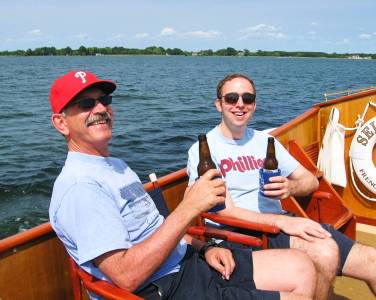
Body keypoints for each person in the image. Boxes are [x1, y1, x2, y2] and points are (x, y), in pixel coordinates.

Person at [48, 70, 317, 300]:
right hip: (167, 288)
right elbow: (127, 276)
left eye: (103, 100)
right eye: (85, 104)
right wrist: (189, 208)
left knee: (302, 266)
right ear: (61, 123)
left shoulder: (116, 166)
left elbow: (157, 229)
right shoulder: (81, 187)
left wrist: (206, 248)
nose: (99, 109)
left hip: (188, 262)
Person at [187, 73, 376, 300]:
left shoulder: (265, 141)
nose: (240, 104)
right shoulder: (206, 149)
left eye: (247, 98)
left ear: (254, 104)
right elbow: (222, 210)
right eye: (231, 98)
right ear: (219, 104)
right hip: (238, 233)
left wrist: (290, 187)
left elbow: (310, 181)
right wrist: (283, 220)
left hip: (279, 224)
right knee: (325, 252)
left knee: (373, 263)